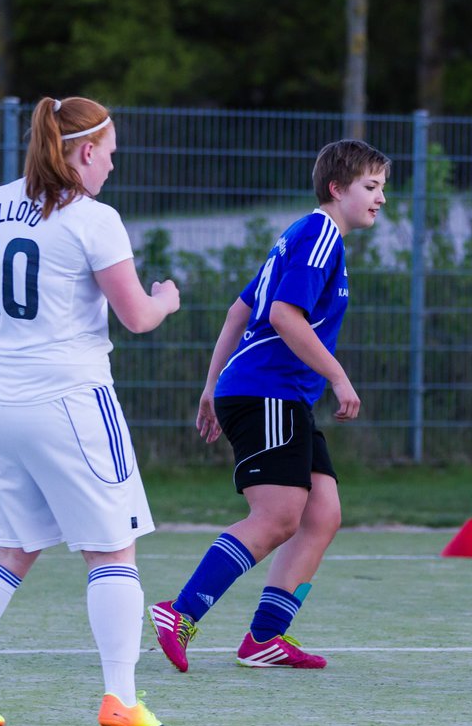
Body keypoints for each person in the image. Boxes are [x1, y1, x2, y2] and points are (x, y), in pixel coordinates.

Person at [0, 96, 180, 726]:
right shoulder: (93, 218)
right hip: (70, 401)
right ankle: (120, 700)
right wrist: (167, 299)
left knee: (12, 545)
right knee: (112, 550)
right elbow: (135, 316)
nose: (111, 166)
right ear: (84, 151)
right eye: (109, 155)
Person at [149, 139, 390, 672]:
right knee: (279, 515)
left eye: (382, 189)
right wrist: (339, 376)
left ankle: (264, 638)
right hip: (269, 391)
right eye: (371, 187)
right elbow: (282, 316)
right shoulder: (320, 235)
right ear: (337, 188)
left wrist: (212, 385)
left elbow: (240, 311)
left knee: (322, 513)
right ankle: (180, 612)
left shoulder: (301, 235)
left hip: (272, 392)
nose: (380, 199)